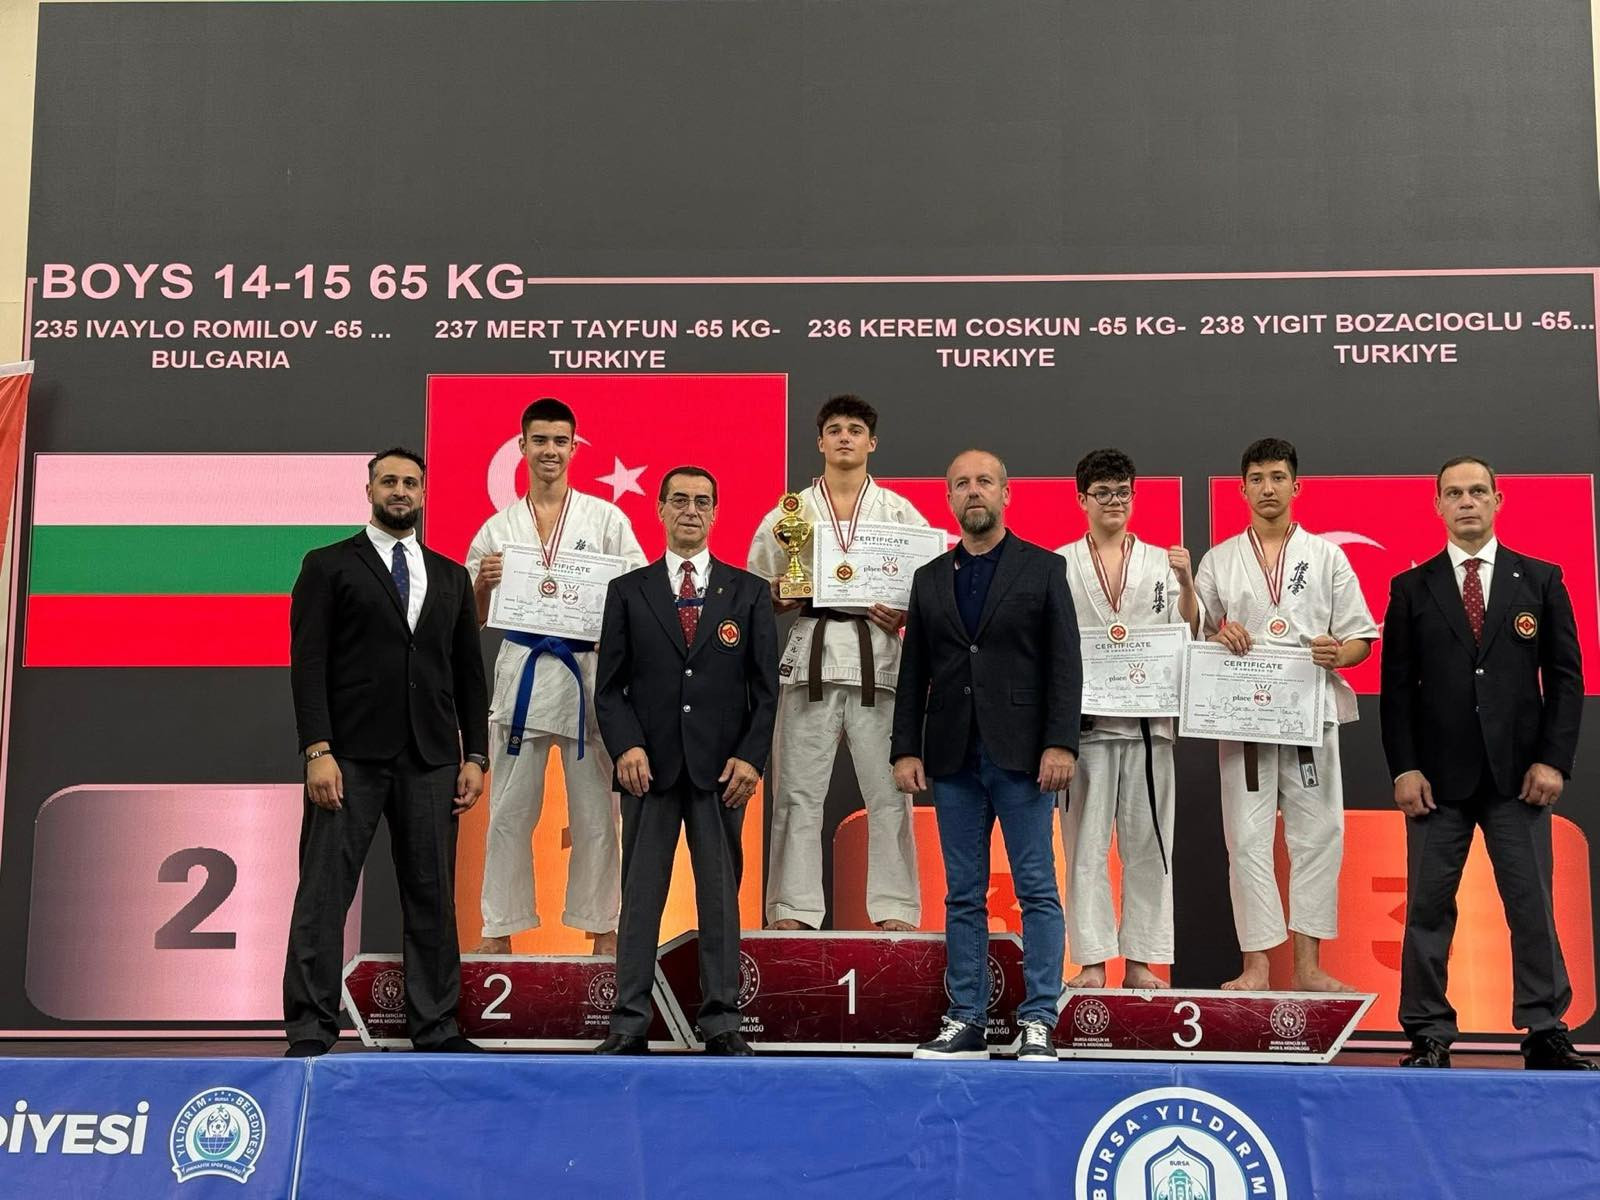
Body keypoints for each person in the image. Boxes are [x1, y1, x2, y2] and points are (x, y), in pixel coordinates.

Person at [1381, 456, 1593, 1069]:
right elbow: (1397, 690)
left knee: (1532, 906)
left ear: (1499, 501)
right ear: (1438, 506)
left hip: (1519, 778)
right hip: (1436, 780)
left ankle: (1545, 1029)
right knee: (1427, 909)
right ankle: (1428, 1032)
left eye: (1478, 491)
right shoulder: (1411, 587)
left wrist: (1553, 760)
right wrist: (1404, 768)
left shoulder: (1541, 579)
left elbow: (1565, 678)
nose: (1467, 501)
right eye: (1454, 493)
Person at [283, 447, 488, 1056]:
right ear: (369, 489)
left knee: (432, 897)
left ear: (424, 493)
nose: (401, 490)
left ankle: (437, 1026)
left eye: (411, 482)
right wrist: (317, 750)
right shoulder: (327, 565)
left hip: (431, 758)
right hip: (347, 757)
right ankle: (310, 1027)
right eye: (390, 481)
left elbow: (468, 674)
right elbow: (308, 664)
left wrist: (475, 755)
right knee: (324, 893)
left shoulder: (450, 576)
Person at [892, 449, 1081, 1063]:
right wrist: (905, 748)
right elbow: (913, 670)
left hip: (1024, 756)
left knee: (1037, 889)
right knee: (962, 894)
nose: (973, 491)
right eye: (961, 484)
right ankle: (967, 1019)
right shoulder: (929, 578)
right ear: (948, 498)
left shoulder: (1044, 568)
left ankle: (1039, 1020)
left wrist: (1060, 742)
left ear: (1006, 493)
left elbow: (1065, 664)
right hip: (951, 757)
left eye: (984, 482)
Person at [593, 467, 779, 1055]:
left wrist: (750, 758)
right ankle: (628, 1022)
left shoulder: (748, 592)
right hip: (647, 771)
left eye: (702, 501)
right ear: (660, 509)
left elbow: (765, 689)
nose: (691, 510)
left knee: (720, 899)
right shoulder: (628, 590)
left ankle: (721, 1021)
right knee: (640, 897)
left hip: (721, 772)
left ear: (716, 512)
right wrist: (626, 746)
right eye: (679, 500)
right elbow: (609, 687)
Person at [1194, 437, 1376, 992]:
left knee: (1318, 834)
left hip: (1308, 714)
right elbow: (1194, 632)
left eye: (1277, 477)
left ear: (1296, 486)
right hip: (1243, 717)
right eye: (1257, 478)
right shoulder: (1219, 559)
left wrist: (1337, 653)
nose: (1267, 488)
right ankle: (1256, 965)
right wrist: (1219, 634)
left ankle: (1308, 966)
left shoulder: (1327, 556)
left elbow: (1360, 637)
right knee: (1246, 838)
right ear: (1242, 489)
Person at [467, 398, 646, 957]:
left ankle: (603, 929)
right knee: (509, 813)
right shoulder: (497, 528)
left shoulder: (607, 520)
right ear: (522, 447)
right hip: (522, 672)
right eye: (540, 440)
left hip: (587, 675)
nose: (550, 450)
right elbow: (472, 617)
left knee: (596, 817)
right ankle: (498, 928)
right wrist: (483, 585)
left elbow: (637, 598)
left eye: (560, 441)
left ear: (574, 447)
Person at [747, 395, 926, 932]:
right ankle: (792, 910)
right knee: (797, 792)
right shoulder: (790, 512)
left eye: (854, 429)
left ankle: (895, 909)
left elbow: (929, 589)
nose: (845, 437)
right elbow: (755, 591)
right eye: (834, 429)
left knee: (889, 793)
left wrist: (906, 612)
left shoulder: (899, 514)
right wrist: (779, 592)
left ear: (871, 442)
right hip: (813, 657)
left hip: (879, 659)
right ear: (820, 442)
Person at [1057, 449, 1199, 990]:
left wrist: (1187, 584)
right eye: (1102, 493)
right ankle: (1092, 961)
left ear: (1134, 498)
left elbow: (1189, 633)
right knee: (1085, 849)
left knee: (1149, 846)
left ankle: (1142, 960)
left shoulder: (1165, 562)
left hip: (1147, 727)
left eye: (1122, 492)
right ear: (1082, 500)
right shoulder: (1060, 563)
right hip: (1086, 727)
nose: (1113, 502)